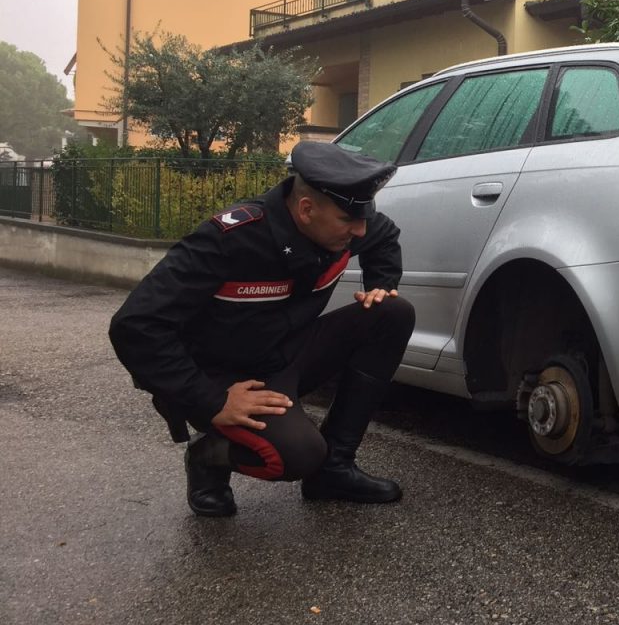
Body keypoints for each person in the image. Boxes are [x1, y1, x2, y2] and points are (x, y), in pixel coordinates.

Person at [109, 141, 415, 518]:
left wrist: (380, 283)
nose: (360, 230)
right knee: (297, 455)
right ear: (306, 209)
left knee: (392, 312)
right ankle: (209, 457)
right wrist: (209, 398)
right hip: (220, 376)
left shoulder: (341, 223)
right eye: (349, 222)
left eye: (362, 219)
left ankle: (334, 470)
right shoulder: (228, 239)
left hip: (283, 356)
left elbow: (383, 235)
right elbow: (135, 325)